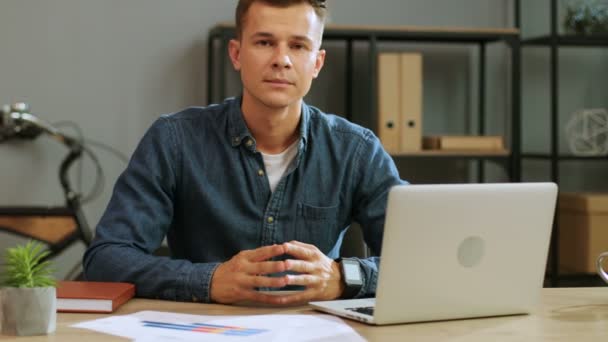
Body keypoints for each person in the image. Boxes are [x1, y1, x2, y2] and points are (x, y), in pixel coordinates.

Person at [83, 0, 405, 305]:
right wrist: (208, 281)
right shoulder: (174, 141)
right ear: (236, 54)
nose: (282, 59)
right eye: (265, 42)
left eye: (298, 45)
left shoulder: (356, 150)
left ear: (317, 63)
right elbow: (107, 258)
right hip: (203, 330)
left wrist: (342, 277)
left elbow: (423, 257)